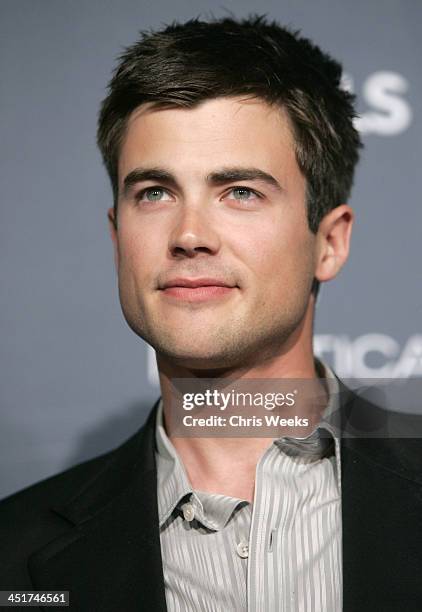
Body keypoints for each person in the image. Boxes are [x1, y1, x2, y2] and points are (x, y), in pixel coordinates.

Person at [1, 14, 421, 612]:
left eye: (241, 192)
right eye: (155, 193)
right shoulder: (12, 556)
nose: (190, 234)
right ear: (117, 235)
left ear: (329, 243)